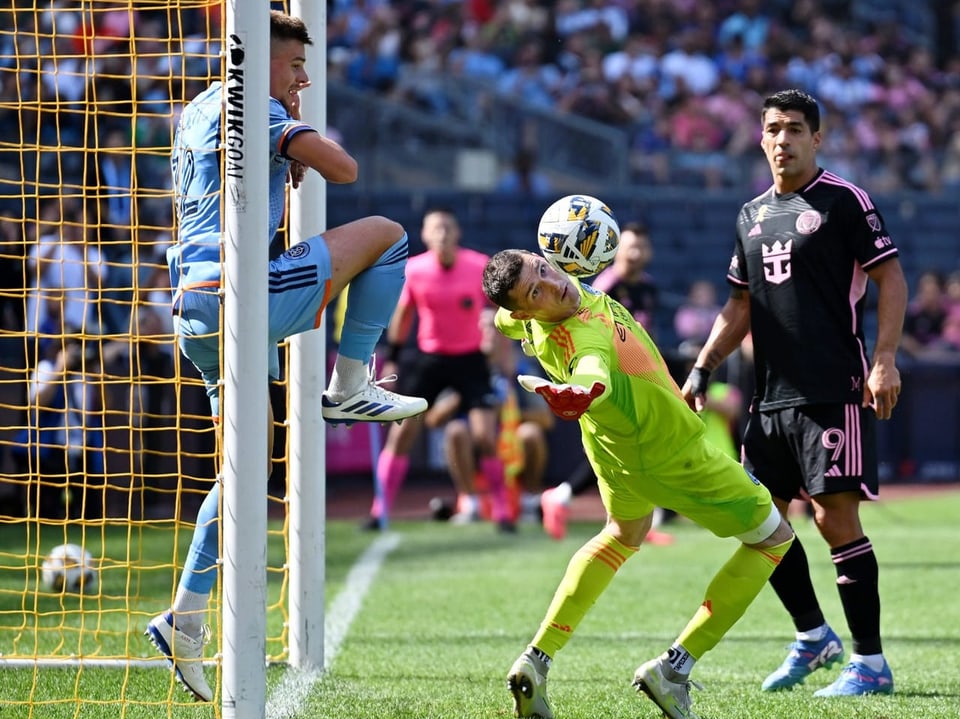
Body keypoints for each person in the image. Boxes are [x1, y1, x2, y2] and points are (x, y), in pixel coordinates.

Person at [145, 11, 427, 702]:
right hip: (244, 293)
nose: (304, 77)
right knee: (388, 236)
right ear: (259, 56)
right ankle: (351, 383)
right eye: (296, 64)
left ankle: (185, 614)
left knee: (241, 473)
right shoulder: (255, 103)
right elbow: (346, 168)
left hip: (194, 305)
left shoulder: (197, 110)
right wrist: (297, 137)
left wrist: (284, 149)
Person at [481, 249, 795, 719]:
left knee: (621, 535)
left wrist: (528, 321)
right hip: (669, 451)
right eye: (536, 292)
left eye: (543, 270)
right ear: (526, 310)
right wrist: (579, 391)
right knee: (774, 538)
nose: (552, 284)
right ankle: (674, 669)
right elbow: (593, 370)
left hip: (614, 451)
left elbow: (504, 320)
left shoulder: (524, 318)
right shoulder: (584, 335)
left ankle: (537, 658)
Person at [681, 89, 908, 697]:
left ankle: (871, 663)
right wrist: (703, 367)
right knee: (763, 526)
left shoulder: (845, 201)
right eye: (774, 128)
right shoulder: (750, 214)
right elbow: (738, 304)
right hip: (769, 400)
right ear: (761, 138)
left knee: (836, 521)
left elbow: (891, 278)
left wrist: (884, 358)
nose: (783, 139)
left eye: (796, 129)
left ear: (817, 138)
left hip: (834, 390)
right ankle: (813, 636)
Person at [368, 207, 512, 532]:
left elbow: (502, 310)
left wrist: (502, 352)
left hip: (471, 359)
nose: (443, 234)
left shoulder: (478, 266)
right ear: (425, 235)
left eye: (448, 227)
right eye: (436, 228)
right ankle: (380, 511)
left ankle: (503, 512)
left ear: (458, 232)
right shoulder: (415, 270)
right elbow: (403, 315)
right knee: (402, 432)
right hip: (430, 359)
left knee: (485, 437)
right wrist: (392, 356)